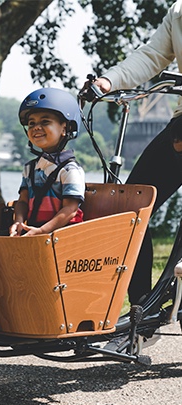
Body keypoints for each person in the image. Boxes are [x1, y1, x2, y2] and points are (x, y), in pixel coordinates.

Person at [86, 0, 182, 309]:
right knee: (132, 207)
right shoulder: (178, 12)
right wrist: (108, 81)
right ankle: (143, 306)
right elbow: (152, 55)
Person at [9, 88, 85, 237]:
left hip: (63, 236)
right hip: (33, 232)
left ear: (65, 128)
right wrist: (18, 222)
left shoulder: (70, 170)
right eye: (31, 123)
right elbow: (23, 201)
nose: (36, 127)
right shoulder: (29, 168)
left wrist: (43, 231)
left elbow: (70, 210)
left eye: (45, 122)